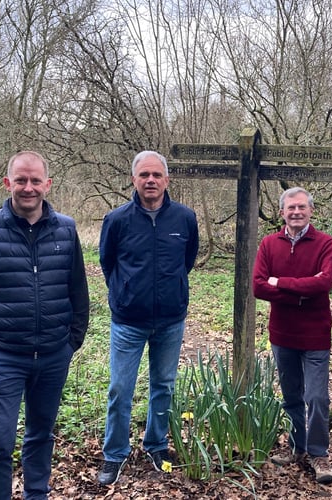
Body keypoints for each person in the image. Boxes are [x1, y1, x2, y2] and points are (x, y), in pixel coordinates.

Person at [0, 151, 90, 500]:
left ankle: (36, 494)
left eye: (34, 181)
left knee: (41, 433)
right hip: (2, 356)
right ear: (8, 183)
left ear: (47, 184)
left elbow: (78, 288)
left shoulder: (66, 229)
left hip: (53, 354)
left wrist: (72, 340)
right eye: (20, 180)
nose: (28, 188)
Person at [97, 150, 199, 486]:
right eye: (144, 175)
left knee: (164, 387)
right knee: (119, 388)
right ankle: (115, 454)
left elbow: (187, 260)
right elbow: (108, 263)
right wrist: (126, 293)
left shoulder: (184, 218)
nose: (150, 180)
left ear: (167, 180)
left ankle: (156, 444)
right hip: (128, 321)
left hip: (170, 319)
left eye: (156, 175)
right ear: (134, 180)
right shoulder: (117, 220)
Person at [252, 187, 332, 485]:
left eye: (302, 207)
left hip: (315, 334)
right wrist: (300, 293)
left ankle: (318, 453)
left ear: (311, 210)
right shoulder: (268, 244)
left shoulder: (325, 243)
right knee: (291, 396)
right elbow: (259, 287)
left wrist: (281, 284)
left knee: (316, 397)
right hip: (282, 334)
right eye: (291, 208)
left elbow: (324, 283)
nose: (297, 212)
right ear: (282, 213)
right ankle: (297, 447)